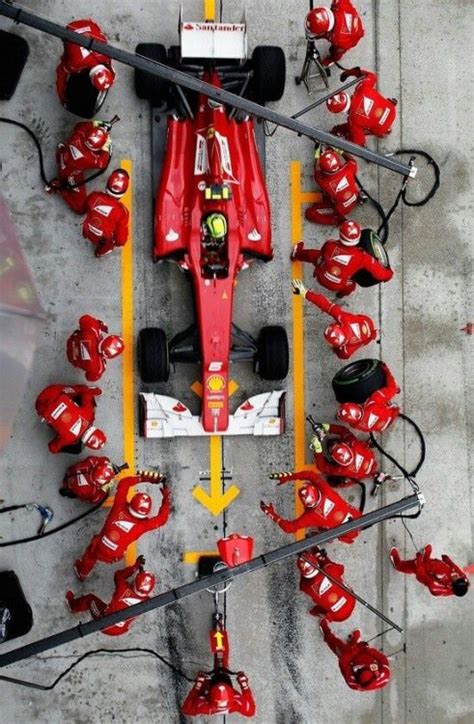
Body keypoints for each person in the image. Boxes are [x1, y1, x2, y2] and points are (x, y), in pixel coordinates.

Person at [74, 471, 170, 580]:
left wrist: (144, 478)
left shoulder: (119, 506)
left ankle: (82, 573)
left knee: (90, 555)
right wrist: (166, 497)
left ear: (132, 502)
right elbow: (162, 519)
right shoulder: (143, 525)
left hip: (100, 545)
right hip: (115, 555)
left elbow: (124, 483)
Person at [291, 220, 393, 297]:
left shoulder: (330, 244)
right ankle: (341, 295)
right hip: (338, 285)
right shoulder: (362, 257)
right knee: (351, 286)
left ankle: (296, 254)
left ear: (341, 235)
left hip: (321, 276)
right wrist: (389, 274)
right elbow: (380, 274)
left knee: (314, 255)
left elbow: (323, 253)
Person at [261, 469, 361, 544]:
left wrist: (272, 514)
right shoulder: (326, 492)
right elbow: (311, 475)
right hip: (357, 518)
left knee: (324, 531)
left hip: (347, 530)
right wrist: (271, 513)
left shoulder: (311, 516)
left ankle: (327, 537)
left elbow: (289, 528)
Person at [66, 556, 155, 636]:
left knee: (89, 599)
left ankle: (72, 606)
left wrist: (136, 566)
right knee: (115, 610)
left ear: (134, 582)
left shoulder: (122, 588)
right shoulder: (147, 602)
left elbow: (118, 575)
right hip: (120, 630)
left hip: (105, 624)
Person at [292, 279, 377, 358]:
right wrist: (305, 293)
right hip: (366, 323)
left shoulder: (346, 351)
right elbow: (325, 304)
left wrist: (304, 293)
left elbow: (325, 304)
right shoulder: (346, 350)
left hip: (366, 321)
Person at [46, 121, 112, 214]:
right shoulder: (90, 159)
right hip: (71, 176)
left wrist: (95, 124)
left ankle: (61, 150)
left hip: (63, 159)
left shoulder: (78, 135)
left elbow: (80, 125)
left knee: (64, 152)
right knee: (81, 208)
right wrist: (105, 148)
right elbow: (102, 163)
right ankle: (59, 187)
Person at [327, 68, 398, 146]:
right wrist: (351, 72)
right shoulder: (362, 87)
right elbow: (372, 76)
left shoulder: (353, 120)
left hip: (381, 129)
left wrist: (349, 137)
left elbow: (359, 141)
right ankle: (387, 129)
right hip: (391, 109)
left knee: (355, 129)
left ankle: (385, 130)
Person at [56, 18, 115, 109]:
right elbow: (60, 72)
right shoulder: (75, 64)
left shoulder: (106, 53)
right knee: (66, 57)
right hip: (69, 30)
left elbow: (109, 64)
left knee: (103, 39)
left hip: (89, 24)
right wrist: (62, 96)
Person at [320, 620, 391, 691]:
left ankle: (326, 633)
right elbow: (383, 659)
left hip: (351, 660)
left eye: (360, 669)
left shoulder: (352, 682)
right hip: (364, 654)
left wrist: (356, 649)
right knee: (356, 647)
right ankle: (354, 642)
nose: (362, 667)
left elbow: (343, 662)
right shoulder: (384, 675)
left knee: (338, 647)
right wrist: (366, 649)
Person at [35, 383, 105, 454]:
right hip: (40, 407)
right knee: (76, 450)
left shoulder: (89, 414)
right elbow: (52, 447)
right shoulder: (69, 440)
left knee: (83, 390)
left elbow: (86, 393)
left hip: (54, 390)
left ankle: (92, 390)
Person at [337, 362, 400, 432]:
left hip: (380, 427)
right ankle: (397, 390)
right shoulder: (373, 402)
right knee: (393, 389)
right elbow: (392, 388)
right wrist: (386, 369)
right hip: (391, 414)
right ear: (357, 406)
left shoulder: (355, 425)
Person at [305, 148, 361, 226]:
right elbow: (351, 159)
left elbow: (317, 169)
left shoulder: (324, 182)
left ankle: (336, 221)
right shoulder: (349, 168)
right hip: (353, 197)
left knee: (310, 213)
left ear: (324, 171)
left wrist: (317, 154)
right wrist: (339, 150)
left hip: (341, 209)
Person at [310, 423, 378, 486]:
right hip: (368, 458)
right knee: (364, 445)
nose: (331, 446)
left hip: (363, 470)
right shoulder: (353, 443)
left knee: (333, 482)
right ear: (347, 445)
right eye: (336, 445)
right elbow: (343, 430)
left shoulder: (341, 470)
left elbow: (322, 467)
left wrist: (318, 450)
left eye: (331, 450)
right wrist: (328, 427)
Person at [297, 548, 356, 621]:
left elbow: (301, 584)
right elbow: (341, 569)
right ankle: (318, 613)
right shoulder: (329, 568)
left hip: (339, 613)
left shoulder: (306, 587)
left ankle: (318, 612)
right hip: (350, 602)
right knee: (325, 602)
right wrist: (320, 557)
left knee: (322, 601)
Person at [82, 168, 130, 258]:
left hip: (87, 231)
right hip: (103, 239)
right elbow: (120, 239)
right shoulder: (122, 212)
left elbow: (85, 208)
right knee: (108, 246)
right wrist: (118, 243)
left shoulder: (94, 196)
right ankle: (99, 253)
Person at [390, 545, 470, 597]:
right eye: (460, 577)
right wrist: (449, 561)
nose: (457, 575)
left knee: (412, 566)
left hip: (424, 572)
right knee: (428, 562)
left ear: (452, 585)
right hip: (434, 566)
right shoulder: (462, 579)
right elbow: (457, 569)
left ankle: (398, 565)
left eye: (456, 579)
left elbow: (422, 575)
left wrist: (419, 563)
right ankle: (426, 559)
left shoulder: (438, 586)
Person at [305, 1, 365, 67]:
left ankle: (332, 59)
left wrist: (316, 36)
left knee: (336, 52)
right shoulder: (339, 3)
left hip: (353, 36)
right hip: (353, 18)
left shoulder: (338, 39)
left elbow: (342, 46)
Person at [66, 314, 124, 381]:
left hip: (71, 342)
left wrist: (99, 325)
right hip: (72, 359)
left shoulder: (93, 330)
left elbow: (83, 319)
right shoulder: (98, 368)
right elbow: (90, 378)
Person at [182, 665, 255, 717]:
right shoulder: (237, 701)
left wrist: (198, 685)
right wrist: (244, 685)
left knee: (203, 684)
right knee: (223, 666)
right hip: (227, 687)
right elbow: (251, 711)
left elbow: (186, 710)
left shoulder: (204, 705)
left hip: (211, 688)